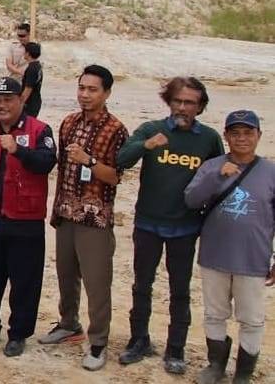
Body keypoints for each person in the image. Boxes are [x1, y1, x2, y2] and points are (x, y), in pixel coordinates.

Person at [116, 76, 225, 373]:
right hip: (148, 223)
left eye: (190, 103)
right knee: (142, 285)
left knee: (180, 290)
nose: (182, 107)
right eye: (177, 101)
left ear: (200, 107)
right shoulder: (151, 129)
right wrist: (146, 145)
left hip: (185, 228)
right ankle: (138, 340)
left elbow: (219, 179)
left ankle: (176, 348)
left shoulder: (209, 138)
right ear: (169, 101)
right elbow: (120, 159)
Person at [38, 65, 129, 371]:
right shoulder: (68, 123)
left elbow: (115, 176)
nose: (85, 95)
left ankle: (99, 341)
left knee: (97, 283)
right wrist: (57, 209)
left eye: (92, 89)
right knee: (66, 275)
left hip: (95, 219)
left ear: (107, 93)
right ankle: (69, 324)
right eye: (81, 88)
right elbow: (63, 169)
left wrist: (88, 161)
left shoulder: (116, 129)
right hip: (66, 212)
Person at [0, 77, 57, 357]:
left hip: (26, 220)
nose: (2, 105)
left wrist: (19, 150)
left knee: (25, 282)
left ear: (21, 100)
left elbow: (46, 163)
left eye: (8, 99)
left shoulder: (39, 129)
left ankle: (18, 334)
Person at [185, 110, 273, 384]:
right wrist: (216, 177)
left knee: (251, 318)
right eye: (235, 133)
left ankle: (244, 373)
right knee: (214, 314)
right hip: (214, 256)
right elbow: (191, 200)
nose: (241, 138)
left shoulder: (270, 172)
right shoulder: (212, 166)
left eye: (248, 133)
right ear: (226, 136)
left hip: (253, 259)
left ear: (258, 135)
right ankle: (215, 365)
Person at [21, 42, 43, 118]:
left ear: (28, 53)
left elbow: (28, 89)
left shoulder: (31, 69)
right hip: (35, 101)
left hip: (30, 103)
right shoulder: (37, 66)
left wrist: (20, 103)